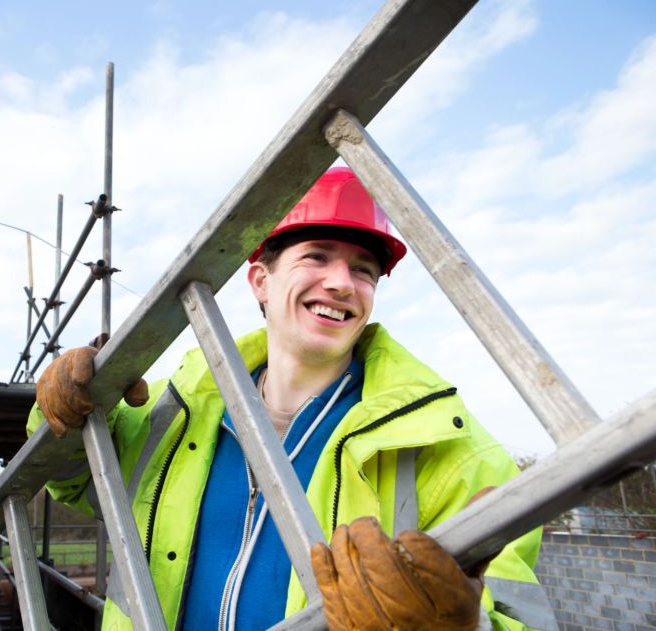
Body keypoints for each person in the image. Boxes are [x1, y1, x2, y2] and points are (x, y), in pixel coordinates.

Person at [29, 167, 553, 631]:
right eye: (317, 257)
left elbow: (519, 616)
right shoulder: (175, 408)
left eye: (363, 270)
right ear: (260, 280)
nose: (342, 284)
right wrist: (67, 411)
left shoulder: (451, 448)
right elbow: (75, 482)